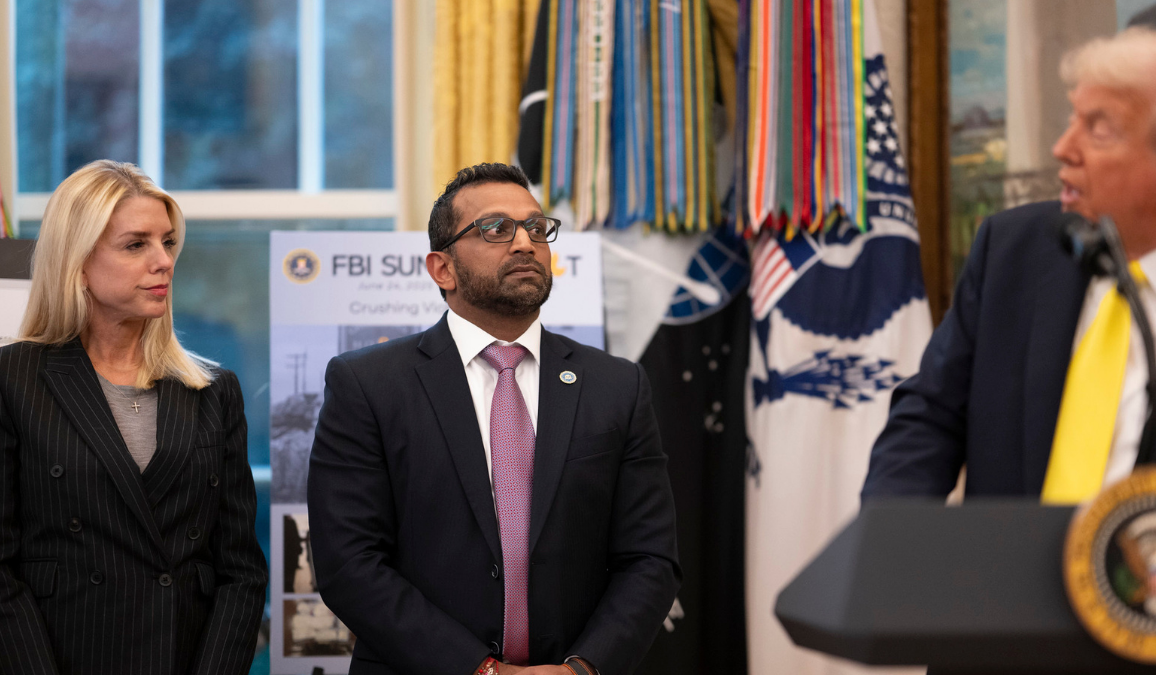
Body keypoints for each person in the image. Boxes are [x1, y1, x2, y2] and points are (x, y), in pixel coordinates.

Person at [307, 163, 680, 675]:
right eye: (496, 229)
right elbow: (348, 563)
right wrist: (479, 670)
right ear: (442, 268)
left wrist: (585, 668)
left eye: (536, 227)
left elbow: (650, 559)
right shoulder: (369, 384)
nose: (525, 243)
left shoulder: (617, 386)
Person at [862, 27, 1156, 501]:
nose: (1063, 148)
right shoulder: (1012, 249)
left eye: (1098, 130)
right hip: (994, 573)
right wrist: (892, 542)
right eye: (1071, 119)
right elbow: (929, 416)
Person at [0, 160, 268, 674]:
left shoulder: (213, 391)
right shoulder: (14, 380)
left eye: (168, 242)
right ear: (76, 261)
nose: (163, 261)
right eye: (135, 244)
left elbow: (240, 572)